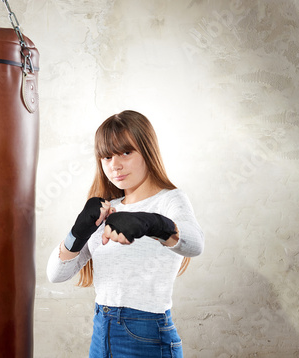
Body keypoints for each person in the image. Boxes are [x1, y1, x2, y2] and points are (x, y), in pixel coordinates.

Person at [47, 110, 204, 358]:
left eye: (126, 153)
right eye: (106, 157)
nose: (115, 165)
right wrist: (77, 232)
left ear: (147, 150)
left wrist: (153, 223)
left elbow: (195, 244)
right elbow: (56, 274)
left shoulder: (169, 200)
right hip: (101, 330)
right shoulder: (106, 209)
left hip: (146, 332)